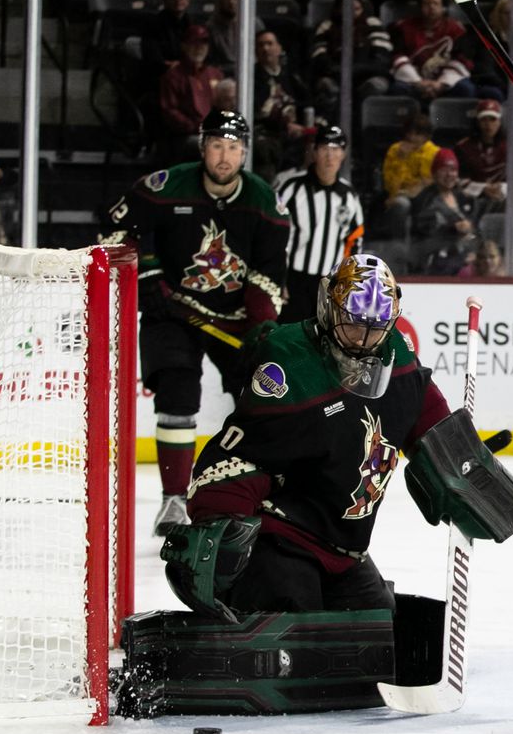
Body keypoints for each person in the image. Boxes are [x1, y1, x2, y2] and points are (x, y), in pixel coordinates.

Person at [172, 254, 450, 615]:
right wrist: (220, 523)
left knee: (374, 631)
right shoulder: (288, 362)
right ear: (328, 307)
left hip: (345, 548)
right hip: (283, 538)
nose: (364, 340)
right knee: (295, 622)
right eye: (353, 325)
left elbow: (426, 416)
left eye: (375, 328)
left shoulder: (395, 352)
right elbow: (246, 453)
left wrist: (458, 460)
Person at [98, 111, 290, 536]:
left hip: (234, 318)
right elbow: (117, 229)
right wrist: (146, 275)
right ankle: (172, 500)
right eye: (217, 146)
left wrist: (261, 324)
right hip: (173, 312)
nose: (225, 156)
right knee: (178, 394)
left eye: (233, 147)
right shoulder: (164, 187)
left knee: (257, 398)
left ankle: (249, 491)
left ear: (244, 152)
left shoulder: (265, 203)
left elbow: (269, 272)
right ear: (203, 147)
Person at [275, 126, 365, 324]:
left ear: (344, 154)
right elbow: (275, 236)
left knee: (321, 343)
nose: (330, 156)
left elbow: (354, 242)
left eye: (336, 149)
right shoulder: (291, 188)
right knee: (288, 339)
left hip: (328, 283)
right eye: (325, 148)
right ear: (314, 151)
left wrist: (346, 283)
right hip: (293, 281)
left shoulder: (349, 196)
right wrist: (278, 278)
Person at [390, 0, 482, 104]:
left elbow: (462, 60)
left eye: (436, 3)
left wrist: (441, 84)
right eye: (427, 4)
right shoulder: (404, 28)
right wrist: (418, 82)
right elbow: (398, 56)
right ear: (420, 6)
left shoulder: (456, 29)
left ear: (443, 7)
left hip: (446, 81)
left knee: (466, 89)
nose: (431, 7)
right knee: (398, 89)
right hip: (414, 80)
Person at [252, 29, 311, 183]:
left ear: (279, 48)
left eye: (270, 44)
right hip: (267, 133)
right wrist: (286, 125)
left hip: (294, 133)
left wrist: (305, 125)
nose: (265, 48)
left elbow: (306, 102)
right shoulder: (252, 77)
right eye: (261, 45)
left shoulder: (291, 76)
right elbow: (257, 111)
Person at [159, 24, 225, 159]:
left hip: (217, 133)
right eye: (194, 43)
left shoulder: (216, 74)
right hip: (186, 136)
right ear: (184, 46)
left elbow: (227, 106)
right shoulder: (173, 76)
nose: (199, 48)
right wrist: (196, 126)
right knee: (213, 148)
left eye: (203, 43)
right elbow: (170, 111)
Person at [205, 0, 265, 77]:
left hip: (250, 71)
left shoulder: (254, 23)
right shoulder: (211, 26)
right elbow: (209, 58)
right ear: (220, 1)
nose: (231, 2)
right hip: (222, 73)